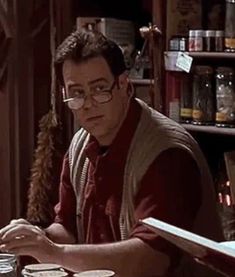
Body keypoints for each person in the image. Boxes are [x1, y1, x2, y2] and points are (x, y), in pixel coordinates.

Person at [0, 29, 224, 277]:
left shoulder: (166, 153)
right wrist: (35, 238)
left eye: (99, 89)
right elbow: (68, 229)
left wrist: (55, 252)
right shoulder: (79, 147)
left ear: (124, 86)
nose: (87, 103)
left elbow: (151, 260)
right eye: (76, 93)